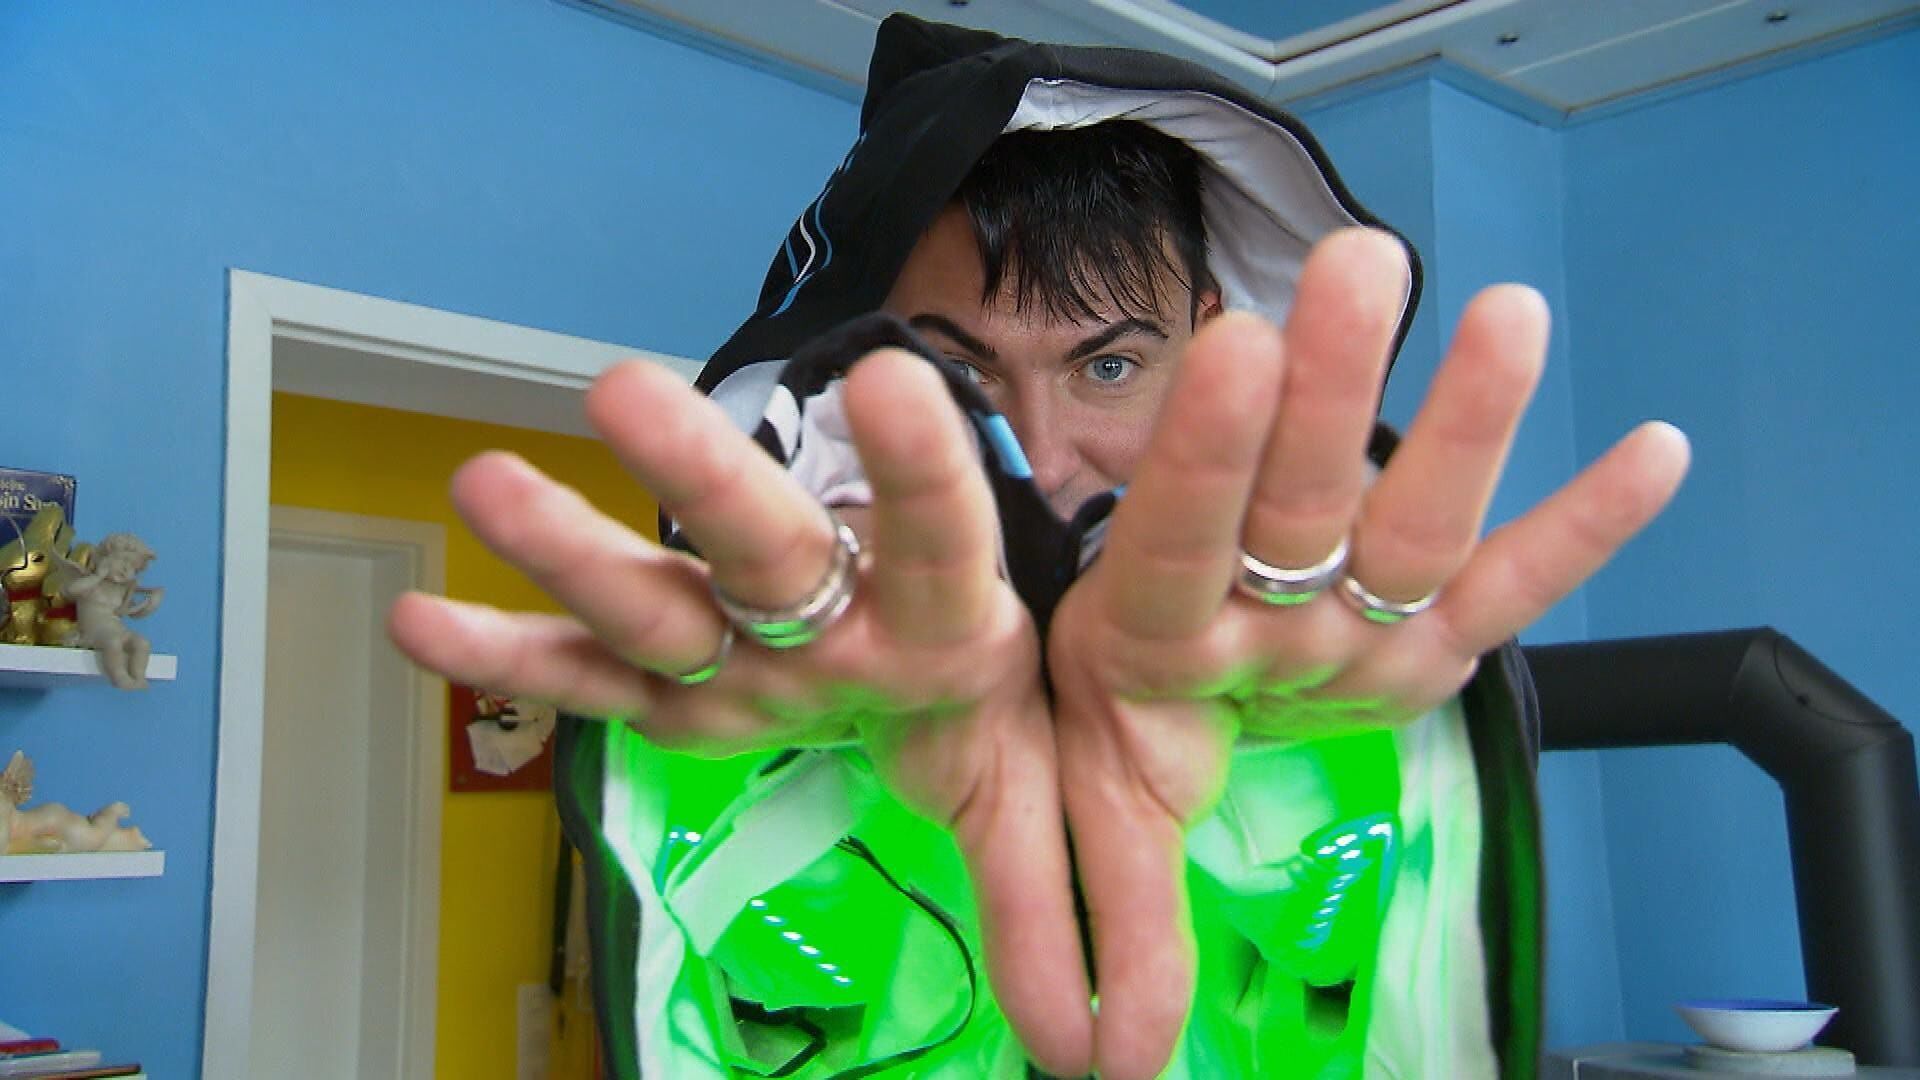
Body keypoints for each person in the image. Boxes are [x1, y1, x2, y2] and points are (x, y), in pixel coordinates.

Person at [389, 15, 1689, 1080]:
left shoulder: (1335, 644)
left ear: (1213, 331)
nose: (1044, 455)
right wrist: (796, 776)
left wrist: (1326, 767)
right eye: (959, 375)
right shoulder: (778, 677)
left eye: (1108, 364)